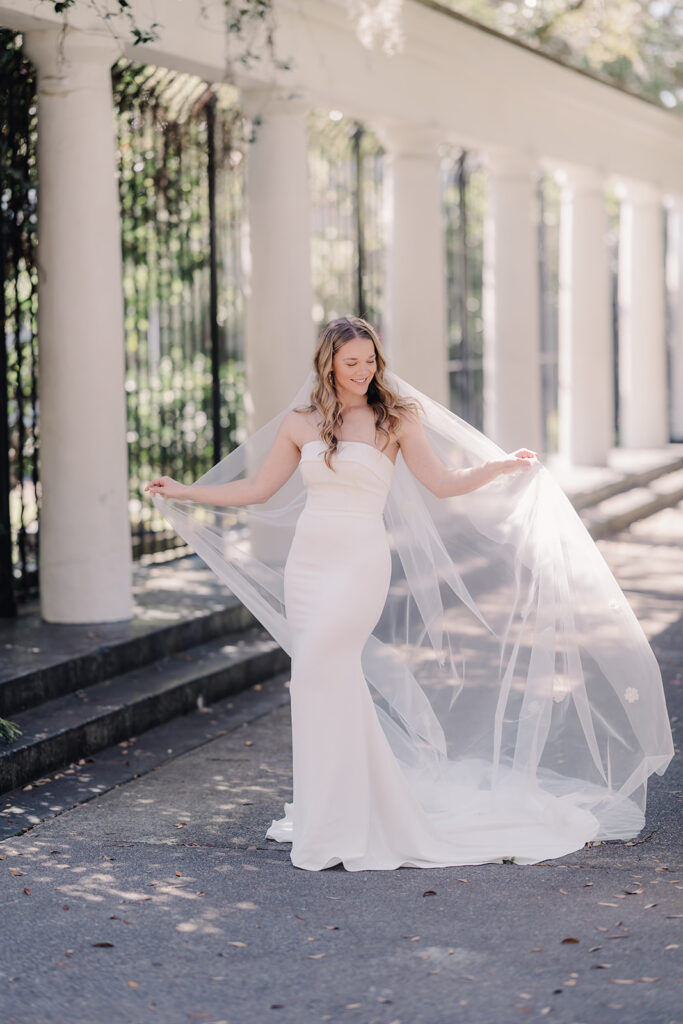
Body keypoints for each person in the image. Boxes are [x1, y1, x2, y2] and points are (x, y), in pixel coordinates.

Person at [145, 316, 674, 872]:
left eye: (370, 360)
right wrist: (187, 491)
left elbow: (441, 482)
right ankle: (338, 814)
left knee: (323, 667)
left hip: (359, 563)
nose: (363, 371)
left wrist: (498, 467)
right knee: (321, 682)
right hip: (309, 565)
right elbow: (257, 489)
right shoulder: (301, 423)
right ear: (328, 363)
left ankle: (355, 819)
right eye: (352, 362)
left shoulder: (395, 418)